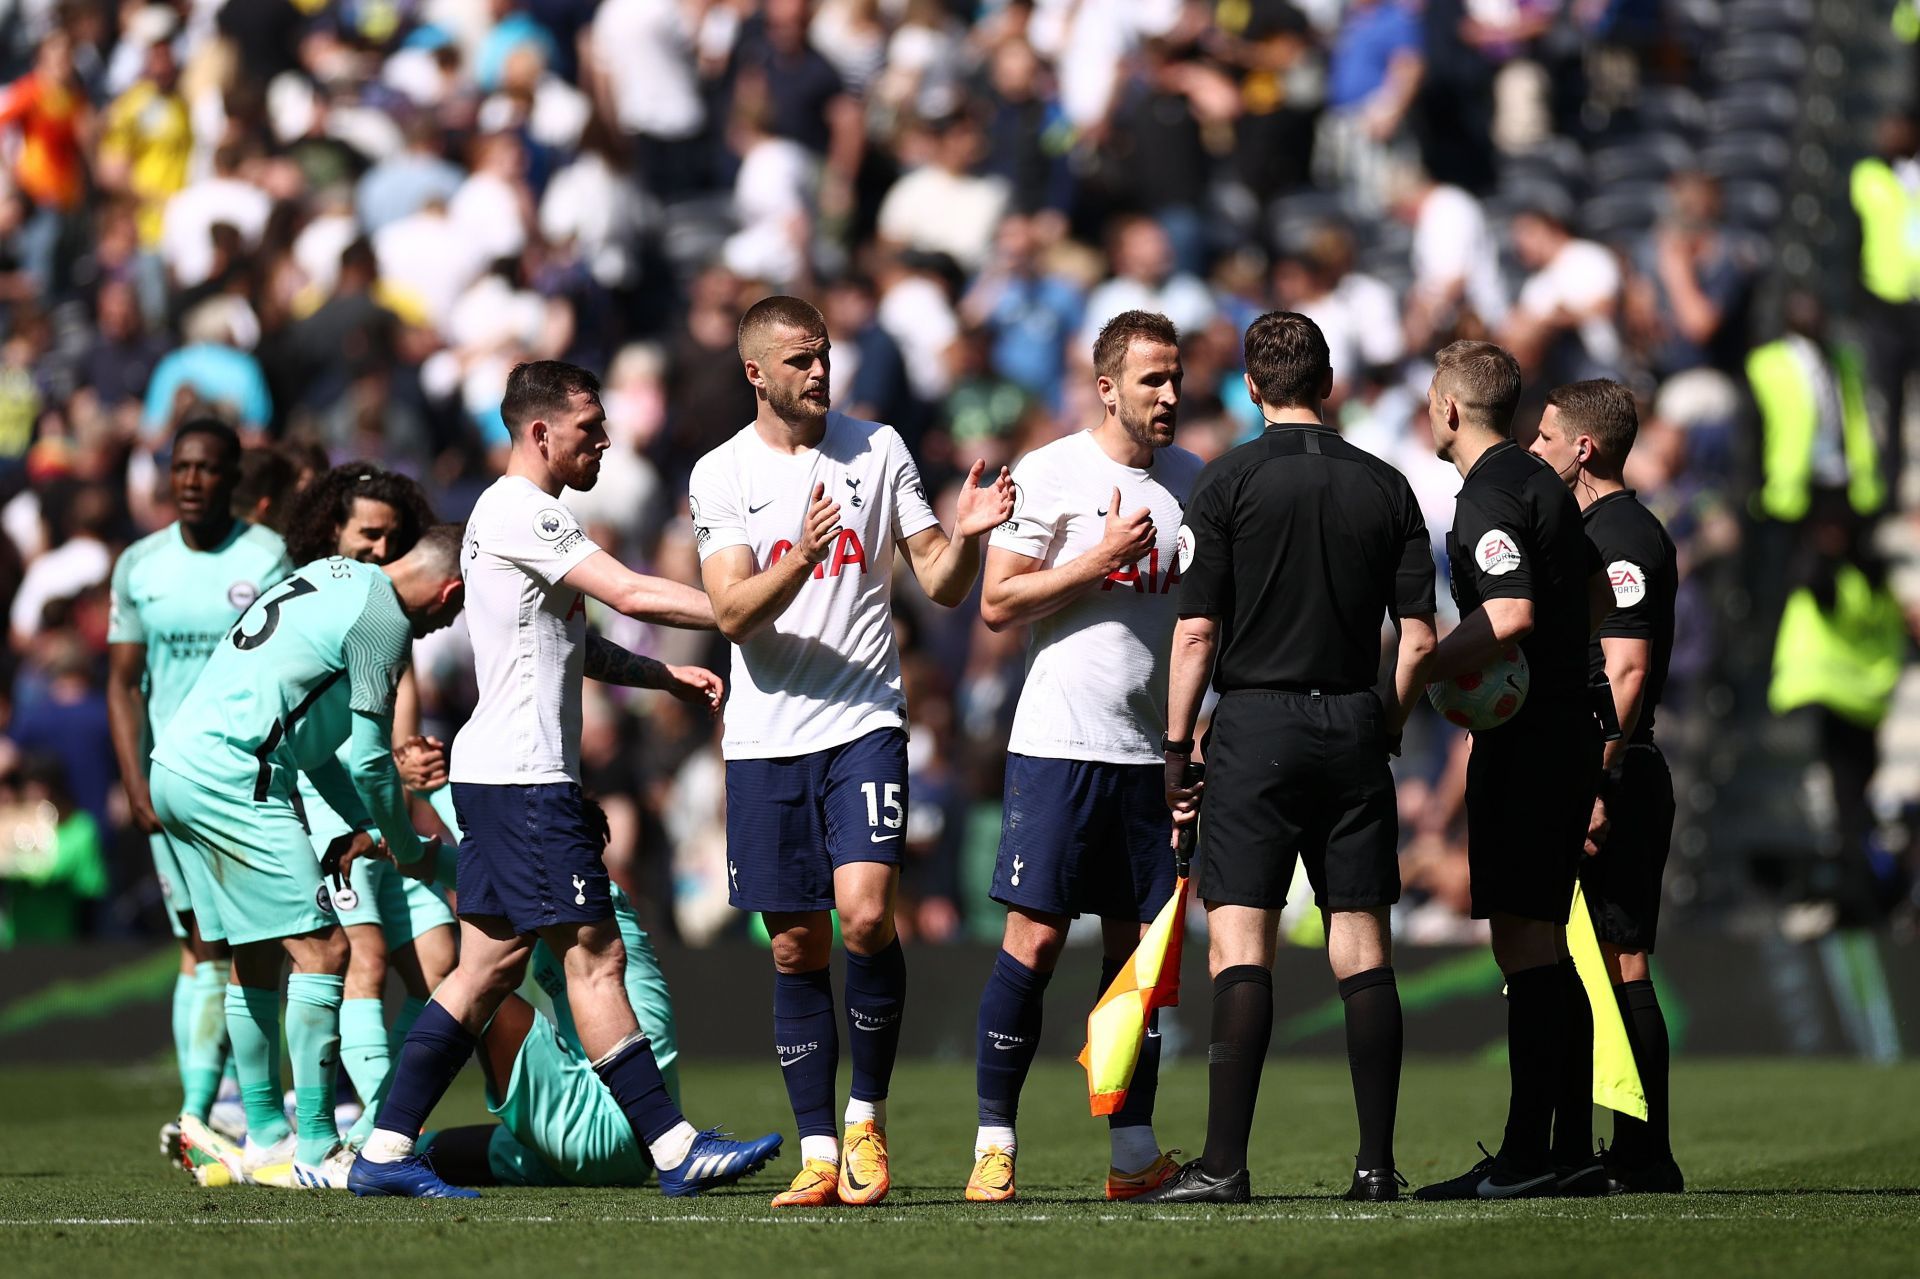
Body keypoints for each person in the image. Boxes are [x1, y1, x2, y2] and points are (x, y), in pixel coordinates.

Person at [348, 361, 781, 1200]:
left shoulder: (516, 518)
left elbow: (572, 639)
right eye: (591, 426)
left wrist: (661, 678)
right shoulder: (519, 510)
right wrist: (741, 604)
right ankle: (671, 1146)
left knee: (486, 970)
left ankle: (385, 1148)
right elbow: (626, 591)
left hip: (500, 775)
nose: (606, 440)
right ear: (541, 433)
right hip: (523, 779)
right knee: (595, 956)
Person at [688, 295, 1013, 1208]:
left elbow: (941, 583)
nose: (819, 371)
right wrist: (799, 556)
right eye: (799, 359)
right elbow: (731, 613)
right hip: (764, 736)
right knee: (796, 943)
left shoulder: (879, 448)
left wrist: (971, 535)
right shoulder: (722, 474)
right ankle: (819, 1148)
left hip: (864, 719)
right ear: (756, 373)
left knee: (865, 916)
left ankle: (865, 1116)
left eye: (825, 354)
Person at [1136, 311, 1437, 1205]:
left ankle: (1225, 1164)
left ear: (1254, 388)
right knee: (1361, 942)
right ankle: (1376, 1165)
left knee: (1243, 943)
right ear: (1330, 381)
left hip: (1256, 727)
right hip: (1351, 719)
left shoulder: (1225, 483)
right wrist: (1384, 723)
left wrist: (1176, 746)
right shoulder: (1388, 485)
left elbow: (1196, 632)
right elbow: (1417, 639)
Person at [963, 310, 1202, 1203]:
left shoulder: (1193, 482)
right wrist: (1100, 558)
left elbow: (1194, 625)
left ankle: (1133, 1154)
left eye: (1175, 377)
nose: (1170, 394)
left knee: (1136, 954)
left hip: (1149, 756)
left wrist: (1194, 732)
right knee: (1036, 938)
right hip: (1059, 746)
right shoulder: (1053, 470)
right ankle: (995, 1142)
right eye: (1152, 380)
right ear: (1107, 388)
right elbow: (997, 601)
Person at [154, 527, 467, 1189]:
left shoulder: (334, 574)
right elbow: (377, 763)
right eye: (454, 613)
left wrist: (353, 826)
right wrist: (406, 847)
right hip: (236, 774)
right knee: (326, 950)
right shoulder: (385, 622)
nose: (446, 624)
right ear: (449, 592)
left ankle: (265, 1133)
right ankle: (319, 1144)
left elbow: (316, 748)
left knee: (258, 951)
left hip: (179, 765)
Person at [1412, 341, 1613, 1200]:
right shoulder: (1544, 487)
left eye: (1430, 400)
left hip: (1531, 742)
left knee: (1525, 942)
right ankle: (1567, 1147)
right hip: (1565, 730)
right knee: (1545, 940)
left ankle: (1530, 1154)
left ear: (1451, 409)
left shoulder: (1491, 492)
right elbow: (1592, 598)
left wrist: (1419, 664)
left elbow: (1512, 610)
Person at [105, 418, 291, 1164]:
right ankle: (205, 1111)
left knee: (250, 943)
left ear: (231, 477)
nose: (189, 480)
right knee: (203, 942)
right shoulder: (140, 565)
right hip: (172, 786)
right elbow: (122, 683)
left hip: (247, 779)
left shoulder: (266, 555)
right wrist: (133, 775)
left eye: (206, 469)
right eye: (179, 467)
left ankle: (222, 1109)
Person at [1528, 379, 1684, 1194]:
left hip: (1614, 771)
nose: (1535, 449)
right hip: (1600, 765)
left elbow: (1624, 668)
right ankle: (1584, 1148)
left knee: (1622, 962)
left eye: (1547, 437)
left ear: (1583, 448)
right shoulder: (1594, 530)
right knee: (1586, 962)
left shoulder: (1619, 538)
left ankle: (1642, 1153)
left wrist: (1595, 780)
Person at [279, 465, 459, 1154]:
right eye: (369, 534)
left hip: (386, 804)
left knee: (440, 966)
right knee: (365, 958)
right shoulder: (320, 603)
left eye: (393, 536)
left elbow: (393, 728)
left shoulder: (391, 616)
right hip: (332, 799)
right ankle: (357, 1128)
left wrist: (413, 767)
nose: (382, 550)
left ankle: (374, 1117)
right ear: (331, 532)